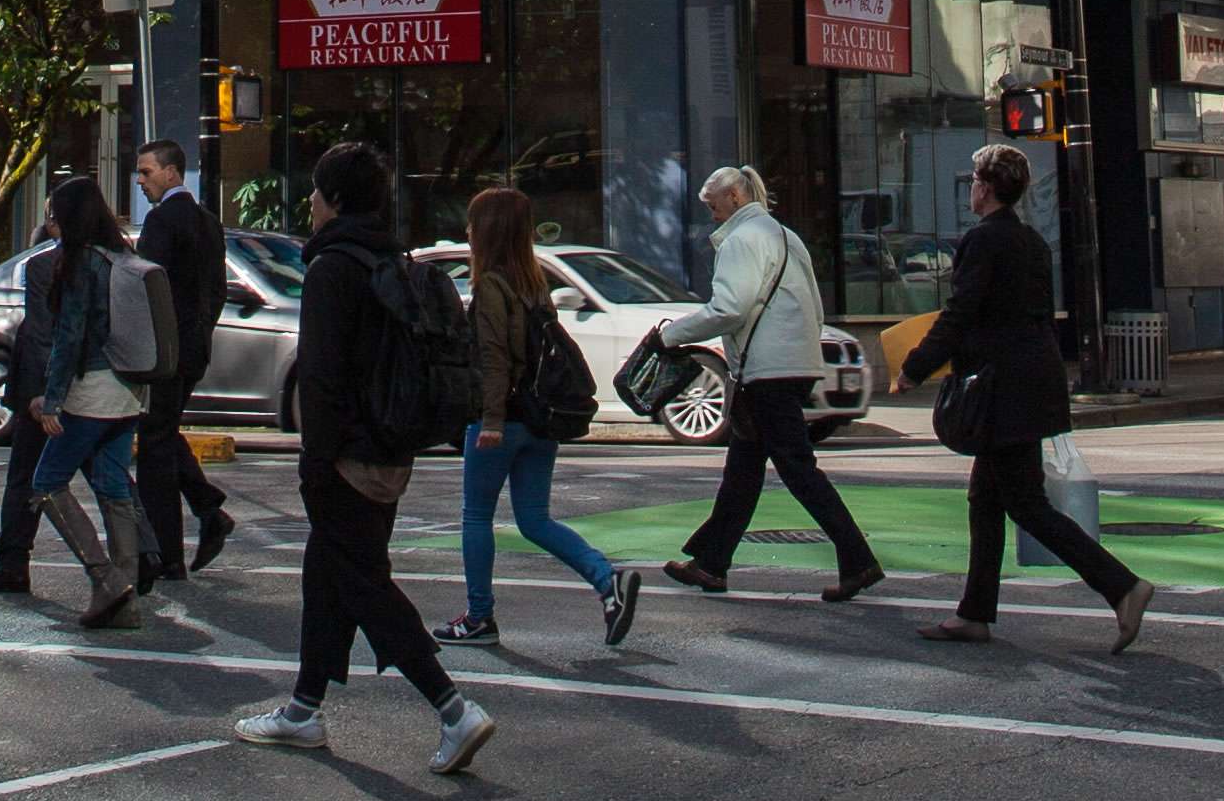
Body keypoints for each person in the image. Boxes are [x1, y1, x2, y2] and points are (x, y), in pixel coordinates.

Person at [232, 142, 497, 773]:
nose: (310, 201)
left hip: (345, 455)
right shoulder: (393, 260)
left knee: (362, 583)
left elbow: (321, 378)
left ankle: (453, 708)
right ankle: (303, 709)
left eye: (316, 190)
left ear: (335, 198)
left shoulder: (331, 269)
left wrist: (314, 464)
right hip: (393, 447)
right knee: (327, 576)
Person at [916, 142, 1148, 655]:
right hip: (1031, 387)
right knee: (986, 500)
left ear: (986, 188)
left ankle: (1122, 587)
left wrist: (915, 366)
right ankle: (973, 613)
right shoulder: (1032, 241)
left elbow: (960, 314)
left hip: (1004, 395)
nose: (971, 189)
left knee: (1026, 504)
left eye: (974, 181)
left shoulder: (983, 240)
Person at [648, 163, 883, 600]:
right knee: (743, 471)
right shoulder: (786, 236)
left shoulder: (740, 241)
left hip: (765, 373)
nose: (711, 215)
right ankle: (711, 563)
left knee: (796, 469)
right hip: (794, 366)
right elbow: (814, 308)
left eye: (713, 205)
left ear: (735, 198)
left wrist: (671, 335)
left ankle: (859, 559)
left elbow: (729, 309)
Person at [441, 187, 636, 647]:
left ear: (488, 231)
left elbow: (493, 358)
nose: (466, 231)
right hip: (539, 419)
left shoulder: (490, 286)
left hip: (500, 420)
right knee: (534, 519)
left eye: (472, 223)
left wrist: (490, 420)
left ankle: (479, 617)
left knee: (476, 516)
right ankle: (606, 580)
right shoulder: (534, 285)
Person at [13, 175, 162, 629]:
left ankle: (107, 581)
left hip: (91, 391)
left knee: (46, 483)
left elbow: (69, 337)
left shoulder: (81, 263)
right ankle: (126, 601)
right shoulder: (123, 256)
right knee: (114, 488)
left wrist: (52, 400)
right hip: (130, 391)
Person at [129, 140, 235, 583]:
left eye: (147, 171)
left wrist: (149, 344)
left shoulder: (161, 221)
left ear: (171, 172)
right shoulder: (209, 222)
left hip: (164, 353)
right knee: (163, 431)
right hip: (194, 350)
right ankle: (208, 509)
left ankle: (167, 554)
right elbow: (218, 290)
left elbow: (146, 288)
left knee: (155, 444)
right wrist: (200, 333)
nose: (140, 180)